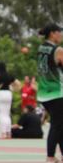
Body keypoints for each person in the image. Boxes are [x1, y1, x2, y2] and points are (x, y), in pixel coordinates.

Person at [37, 23, 63, 162]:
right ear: (53, 33)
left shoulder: (41, 48)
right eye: (60, 32)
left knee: (59, 125)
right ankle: (50, 157)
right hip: (57, 93)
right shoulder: (58, 50)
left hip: (43, 93)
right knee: (56, 126)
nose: (61, 35)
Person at [0, 62, 17, 139]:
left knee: (1, 114)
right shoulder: (9, 75)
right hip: (8, 94)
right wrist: (14, 90)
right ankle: (8, 133)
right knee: (6, 114)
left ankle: (3, 133)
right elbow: (18, 83)